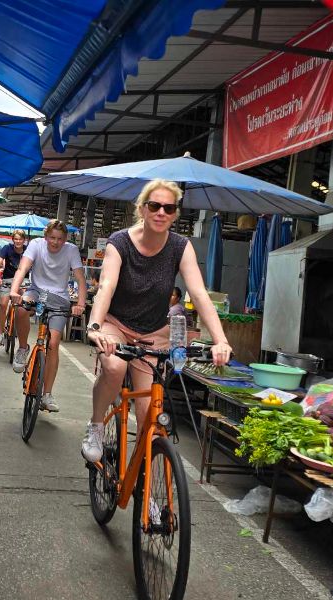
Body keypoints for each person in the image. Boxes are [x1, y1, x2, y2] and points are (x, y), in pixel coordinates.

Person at [82, 179, 232, 462]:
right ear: (142, 208)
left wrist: (221, 340)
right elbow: (107, 286)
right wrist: (95, 326)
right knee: (113, 367)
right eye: (155, 206)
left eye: (168, 207)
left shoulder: (180, 246)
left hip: (152, 331)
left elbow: (199, 294)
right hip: (117, 324)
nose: (161, 212)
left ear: (175, 213)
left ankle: (144, 486)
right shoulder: (120, 242)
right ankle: (96, 425)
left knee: (148, 411)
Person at [9, 220, 86, 412]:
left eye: (60, 239)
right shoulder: (36, 245)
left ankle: (47, 394)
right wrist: (14, 290)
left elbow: (80, 278)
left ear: (65, 239)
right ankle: (23, 347)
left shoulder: (71, 250)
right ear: (46, 236)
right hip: (37, 292)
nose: (55, 242)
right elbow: (23, 268)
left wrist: (81, 304)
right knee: (20, 309)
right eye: (52, 237)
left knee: (53, 344)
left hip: (59, 297)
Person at [0, 230, 27, 345]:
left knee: (22, 308)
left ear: (24, 240)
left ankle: (18, 326)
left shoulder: (28, 250)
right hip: (7, 280)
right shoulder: (7, 248)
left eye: (20, 239)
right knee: (3, 305)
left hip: (24, 281)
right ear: (13, 240)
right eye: (16, 239)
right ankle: (0, 334)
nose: (18, 241)